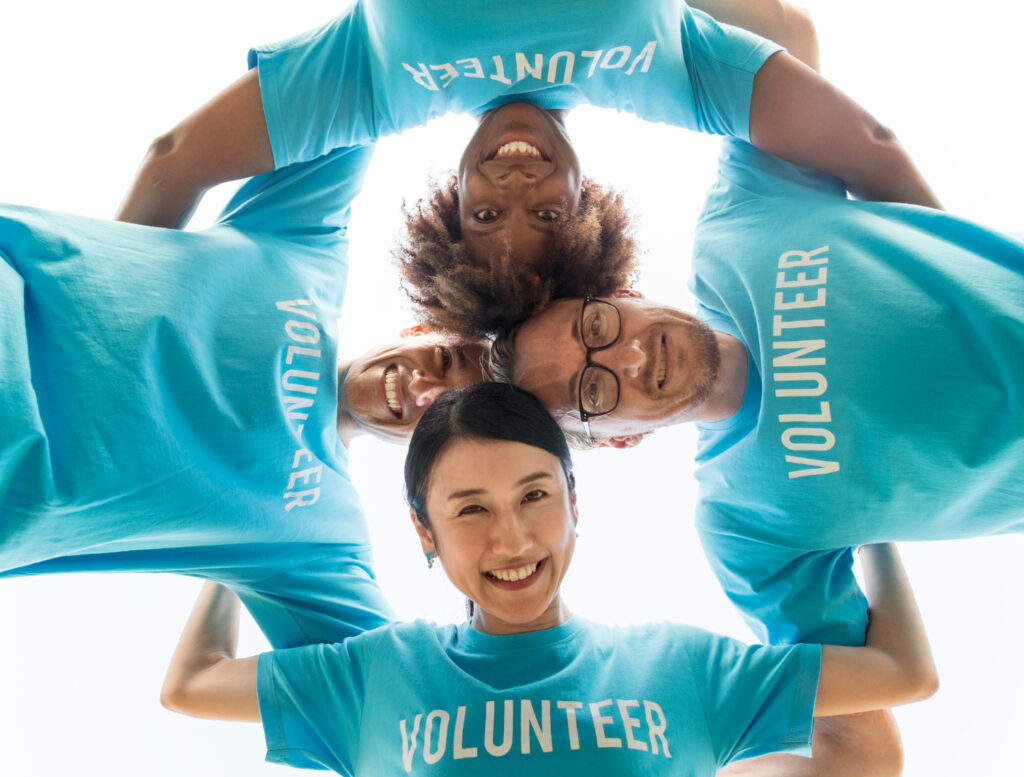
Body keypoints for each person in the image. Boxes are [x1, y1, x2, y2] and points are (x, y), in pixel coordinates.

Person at [159, 382, 937, 776]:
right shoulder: (373, 673)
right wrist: (250, 527)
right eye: (469, 510)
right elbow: (191, 684)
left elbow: (901, 680)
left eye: (534, 495)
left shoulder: (678, 667)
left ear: (574, 501)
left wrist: (867, 526)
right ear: (423, 532)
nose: (512, 537)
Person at [116, 0, 939, 336]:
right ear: (590, 200)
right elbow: (863, 140)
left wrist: (104, 338)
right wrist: (951, 305)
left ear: (452, 199)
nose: (516, 192)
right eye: (549, 216)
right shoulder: (675, 76)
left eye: (484, 216)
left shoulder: (367, 89)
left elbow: (172, 165)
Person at [1, 141, 487, 649]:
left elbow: (392, 681)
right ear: (421, 328)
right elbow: (361, 92)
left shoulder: (323, 536)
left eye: (446, 409)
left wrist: (245, 563)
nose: (423, 388)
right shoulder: (309, 244)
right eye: (444, 360)